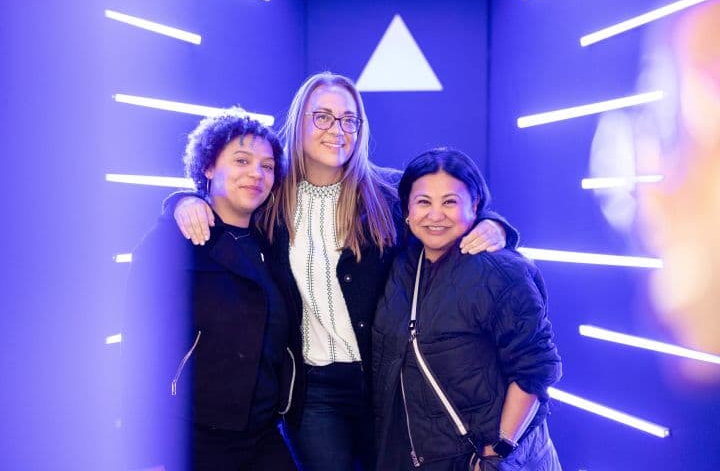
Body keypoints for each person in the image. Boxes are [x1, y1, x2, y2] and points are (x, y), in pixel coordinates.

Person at [168, 72, 518, 471]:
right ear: (299, 122)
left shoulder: (387, 193)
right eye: (322, 117)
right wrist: (181, 201)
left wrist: (495, 225)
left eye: (349, 120)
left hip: (389, 383)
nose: (337, 130)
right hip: (314, 393)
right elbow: (221, 204)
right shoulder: (268, 197)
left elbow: (448, 211)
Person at [123, 108, 300, 471]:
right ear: (207, 167)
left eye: (267, 166)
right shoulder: (172, 240)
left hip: (264, 434)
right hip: (191, 438)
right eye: (241, 160)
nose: (256, 173)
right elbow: (140, 350)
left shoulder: (274, 242)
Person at [373, 148, 562, 471]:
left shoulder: (502, 272)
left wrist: (496, 451)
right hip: (425, 456)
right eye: (423, 202)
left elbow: (535, 369)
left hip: (489, 459)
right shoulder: (402, 263)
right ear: (406, 209)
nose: (435, 215)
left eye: (450, 202)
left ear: (474, 205)